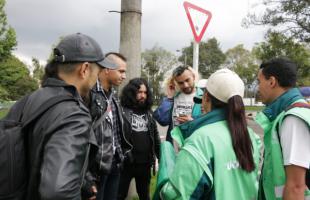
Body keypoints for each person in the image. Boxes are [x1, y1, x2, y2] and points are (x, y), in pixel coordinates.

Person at [9, 33, 114, 200]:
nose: (97, 78)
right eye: (98, 71)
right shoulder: (74, 115)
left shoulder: (27, 101)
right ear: (85, 69)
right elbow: (58, 192)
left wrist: (81, 182)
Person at [156, 68, 261, 199]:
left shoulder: (200, 140)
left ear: (205, 97)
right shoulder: (251, 136)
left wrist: (163, 185)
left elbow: (178, 195)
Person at [255, 57, 310, 200]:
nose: (258, 88)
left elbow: (296, 187)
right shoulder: (285, 114)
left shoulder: (293, 118)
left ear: (272, 82)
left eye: (259, 82)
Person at [86, 52, 131, 200]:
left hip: (115, 164)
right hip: (96, 169)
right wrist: (87, 176)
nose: (124, 76)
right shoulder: (89, 94)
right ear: (106, 69)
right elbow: (82, 137)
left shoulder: (113, 95)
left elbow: (115, 132)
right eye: (121, 71)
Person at [117, 78, 161, 200]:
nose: (143, 95)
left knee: (144, 195)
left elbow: (155, 137)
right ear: (131, 92)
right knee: (119, 195)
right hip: (126, 163)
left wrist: (160, 156)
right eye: (139, 92)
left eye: (145, 92)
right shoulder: (121, 111)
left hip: (145, 163)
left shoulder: (148, 112)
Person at [153, 65, 203, 143]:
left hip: (195, 147)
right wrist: (169, 97)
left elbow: (210, 125)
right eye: (181, 83)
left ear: (193, 77)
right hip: (174, 149)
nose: (185, 85)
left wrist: (193, 122)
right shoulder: (173, 98)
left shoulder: (204, 98)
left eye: (187, 80)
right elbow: (162, 120)